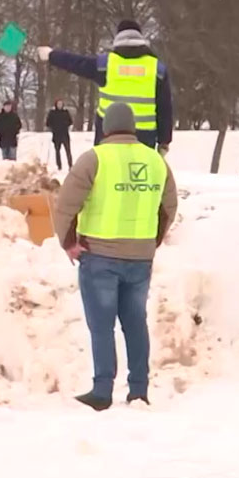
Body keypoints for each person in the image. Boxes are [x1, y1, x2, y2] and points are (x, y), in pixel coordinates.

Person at [51, 102, 178, 410]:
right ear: (133, 127)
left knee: (102, 325)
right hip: (141, 258)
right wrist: (152, 240)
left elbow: (66, 204)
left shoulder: (94, 158)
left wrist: (68, 242)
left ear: (106, 127)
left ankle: (102, 389)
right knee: (136, 322)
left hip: (100, 256)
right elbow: (169, 207)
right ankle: (138, 390)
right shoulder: (155, 161)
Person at [36, 20, 173, 153]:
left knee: (107, 174)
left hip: (108, 136)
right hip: (143, 139)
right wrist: (164, 141)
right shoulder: (157, 69)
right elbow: (165, 109)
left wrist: (51, 55)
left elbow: (76, 63)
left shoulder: (105, 65)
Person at [47, 99, 74, 170]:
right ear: (56, 105)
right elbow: (48, 123)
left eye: (61, 104)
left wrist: (65, 125)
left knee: (68, 150)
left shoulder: (65, 112)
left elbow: (70, 121)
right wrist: (53, 127)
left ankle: (70, 164)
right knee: (57, 151)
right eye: (58, 104)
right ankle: (59, 165)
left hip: (65, 134)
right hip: (56, 135)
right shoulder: (52, 113)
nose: (60, 105)